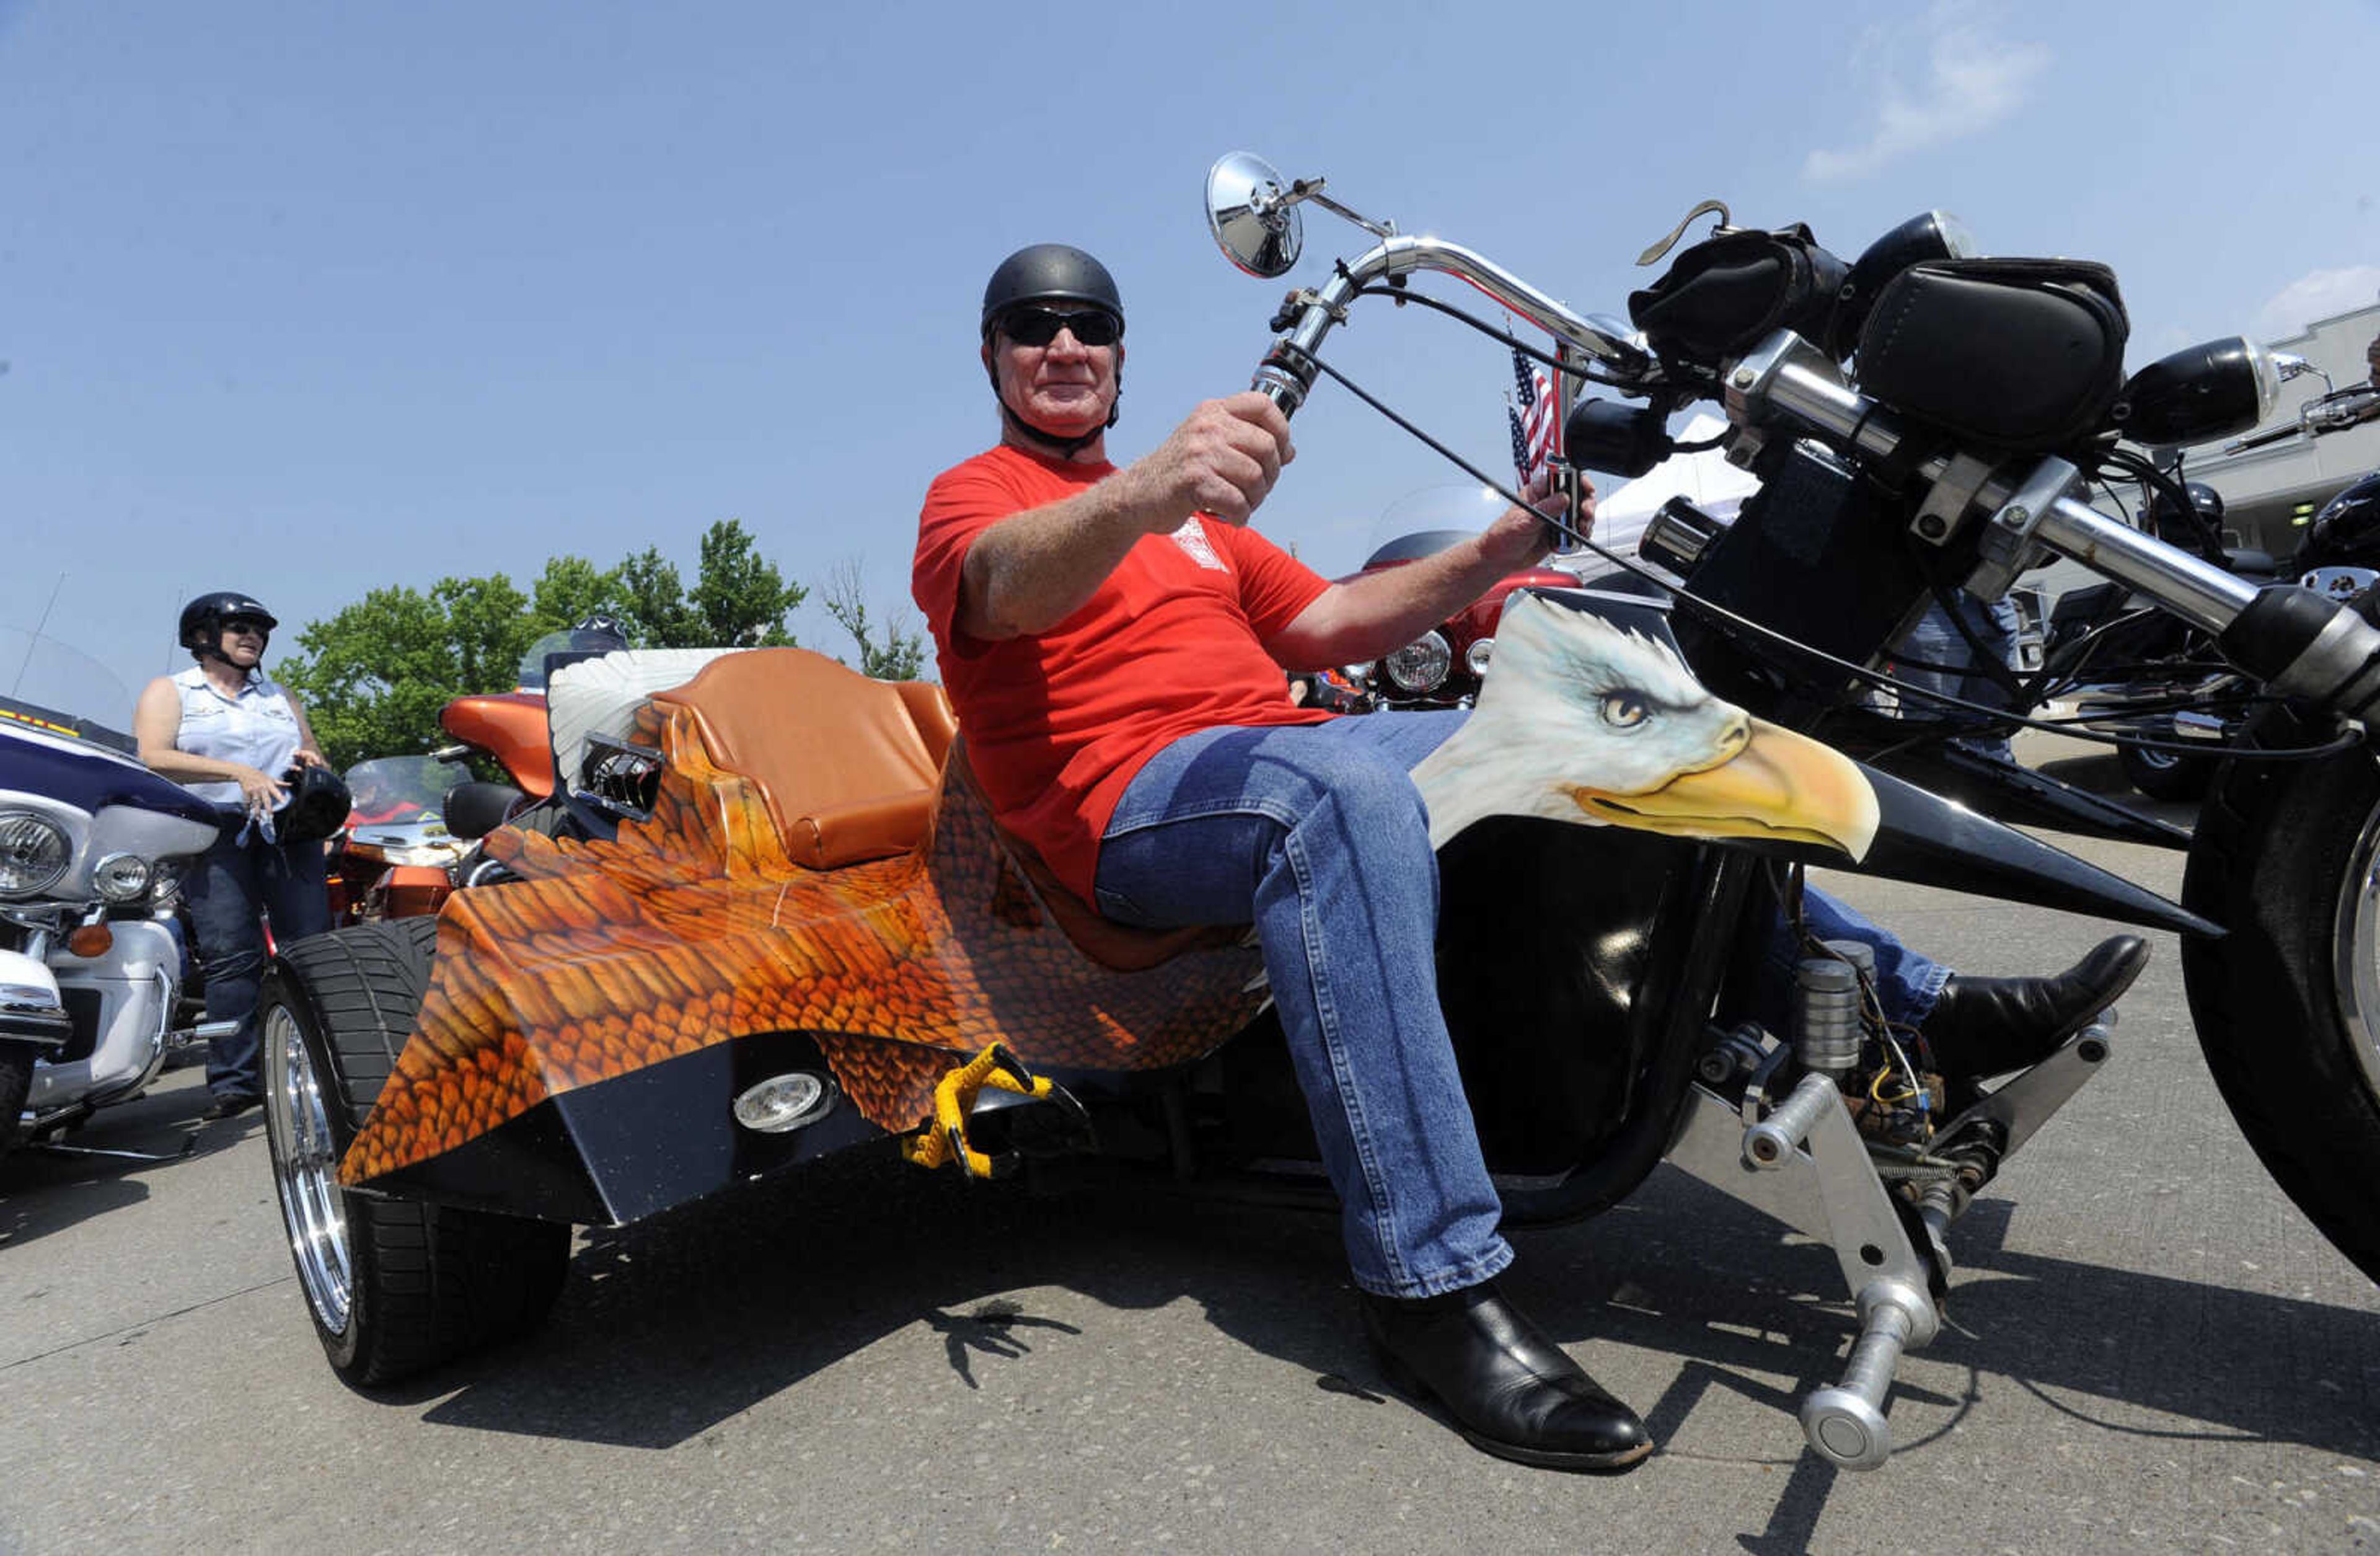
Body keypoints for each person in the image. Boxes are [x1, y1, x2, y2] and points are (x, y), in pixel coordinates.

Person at [914, 245, 2145, 1473]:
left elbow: (1332, 621)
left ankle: (1922, 1020)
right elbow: (1002, 590)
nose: (1063, 347)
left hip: (1267, 751)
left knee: (1584, 716)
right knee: (1332, 791)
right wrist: (1148, 493)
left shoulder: (1208, 541)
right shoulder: (986, 499)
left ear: (1120, 353)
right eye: (1034, 328)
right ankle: (1426, 1286)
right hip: (1127, 809)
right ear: (995, 356)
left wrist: (1505, 543)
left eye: (1087, 325)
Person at [133, 593, 332, 1122]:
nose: (253, 636)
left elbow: (311, 749)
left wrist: (310, 763)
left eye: (260, 630)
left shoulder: (279, 696)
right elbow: (154, 756)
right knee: (232, 955)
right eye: (239, 627)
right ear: (202, 636)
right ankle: (235, 1082)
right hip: (215, 831)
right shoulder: (171, 691)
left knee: (311, 949)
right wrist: (237, 773)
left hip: (289, 828)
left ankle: (327, 1061)